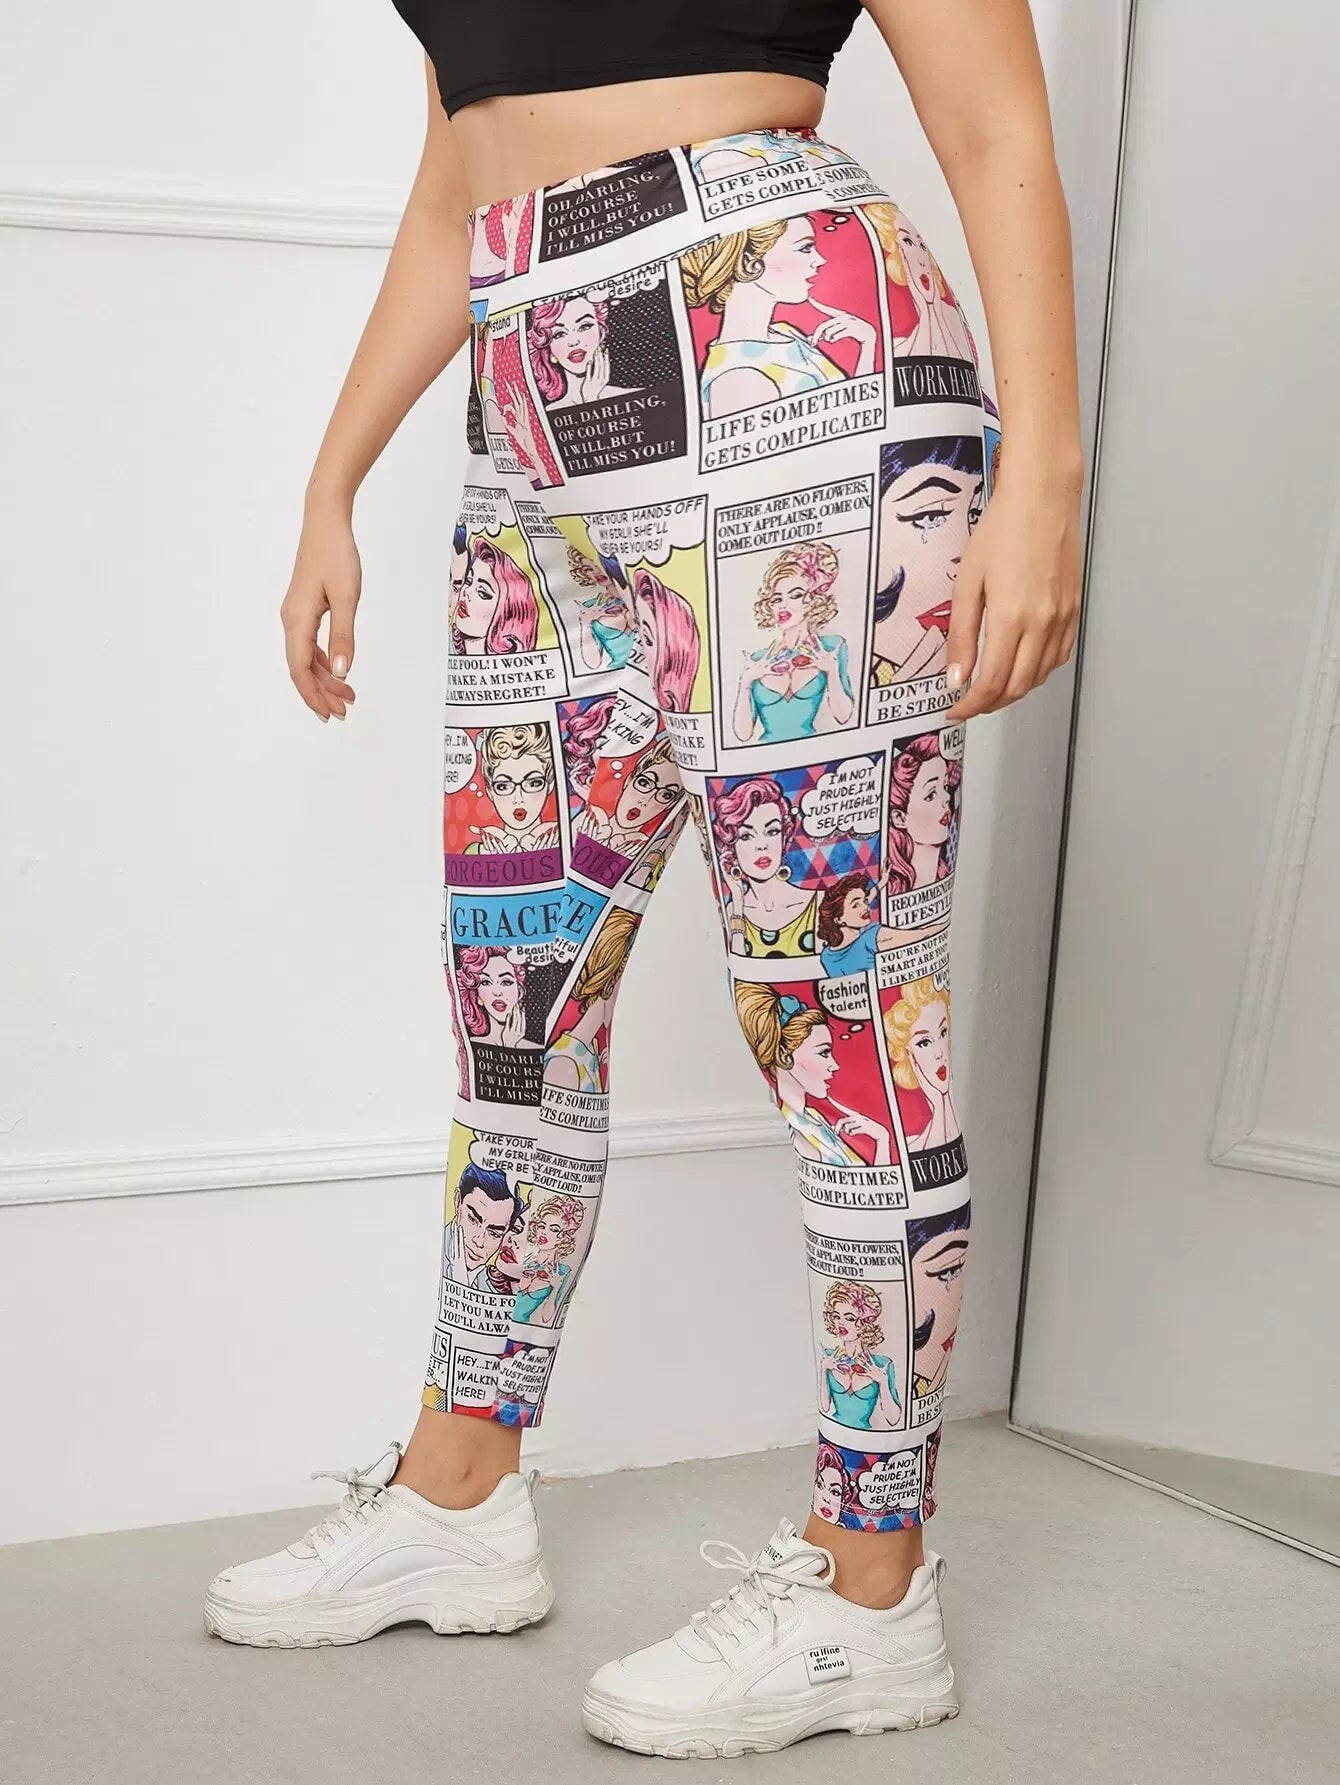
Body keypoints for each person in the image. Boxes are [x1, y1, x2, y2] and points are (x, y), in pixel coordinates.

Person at [215, 0, 1083, 1760]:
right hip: (531, 408)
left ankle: (871, 1589)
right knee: (517, 993)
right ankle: (459, 1493)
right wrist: (332, 478)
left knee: (844, 1004)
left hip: (791, 361)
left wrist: (1047, 474)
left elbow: (997, 124)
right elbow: (458, 180)